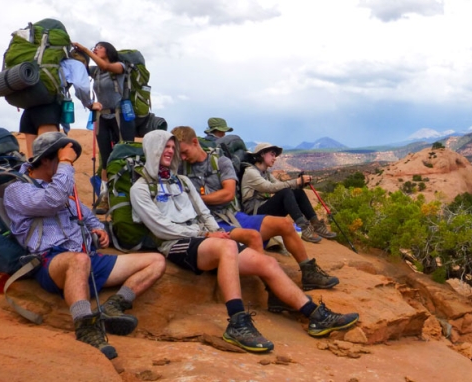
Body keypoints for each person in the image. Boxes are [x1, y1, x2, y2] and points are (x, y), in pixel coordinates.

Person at [129, 130, 359, 353]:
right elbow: (160, 227)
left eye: (172, 147)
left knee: (266, 263)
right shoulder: (139, 189)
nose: (169, 151)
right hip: (176, 243)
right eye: (164, 147)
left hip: (206, 239)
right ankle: (237, 323)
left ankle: (315, 315)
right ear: (152, 150)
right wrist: (206, 235)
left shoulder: (182, 181)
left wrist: (216, 230)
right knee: (228, 246)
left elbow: (204, 212)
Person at [4, 132, 167, 360]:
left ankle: (114, 306)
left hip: (88, 259)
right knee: (78, 260)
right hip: (51, 261)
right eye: (61, 158)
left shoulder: (62, 187)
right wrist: (67, 164)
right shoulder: (17, 190)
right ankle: (85, 327)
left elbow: (88, 217)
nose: (66, 164)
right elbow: (52, 201)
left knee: (156, 261)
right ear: (46, 159)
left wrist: (98, 231)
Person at [171, 126, 338, 291]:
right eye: (180, 154)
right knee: (253, 235)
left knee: (285, 224)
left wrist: (196, 198)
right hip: (209, 222)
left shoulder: (220, 162)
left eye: (185, 152)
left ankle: (308, 272)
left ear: (195, 142)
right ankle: (273, 290)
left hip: (233, 215)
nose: (183, 157)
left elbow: (228, 194)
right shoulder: (181, 168)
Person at [240, 143, 336, 243]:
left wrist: (299, 184)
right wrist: (296, 181)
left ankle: (316, 225)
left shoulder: (265, 173)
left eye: (275, 155)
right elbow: (270, 187)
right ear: (262, 154)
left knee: (297, 192)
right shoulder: (251, 172)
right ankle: (302, 227)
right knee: (286, 192)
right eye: (272, 154)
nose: (275, 158)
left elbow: (280, 185)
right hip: (253, 214)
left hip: (262, 208)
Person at [72, 41, 134, 177]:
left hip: (120, 115)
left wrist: (85, 48)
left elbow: (105, 65)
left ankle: (125, 188)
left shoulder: (120, 67)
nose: (95, 49)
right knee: (105, 157)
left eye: (99, 47)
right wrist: (78, 54)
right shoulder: (97, 72)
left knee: (124, 154)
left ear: (109, 51)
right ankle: (106, 192)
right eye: (94, 47)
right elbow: (81, 71)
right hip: (102, 117)